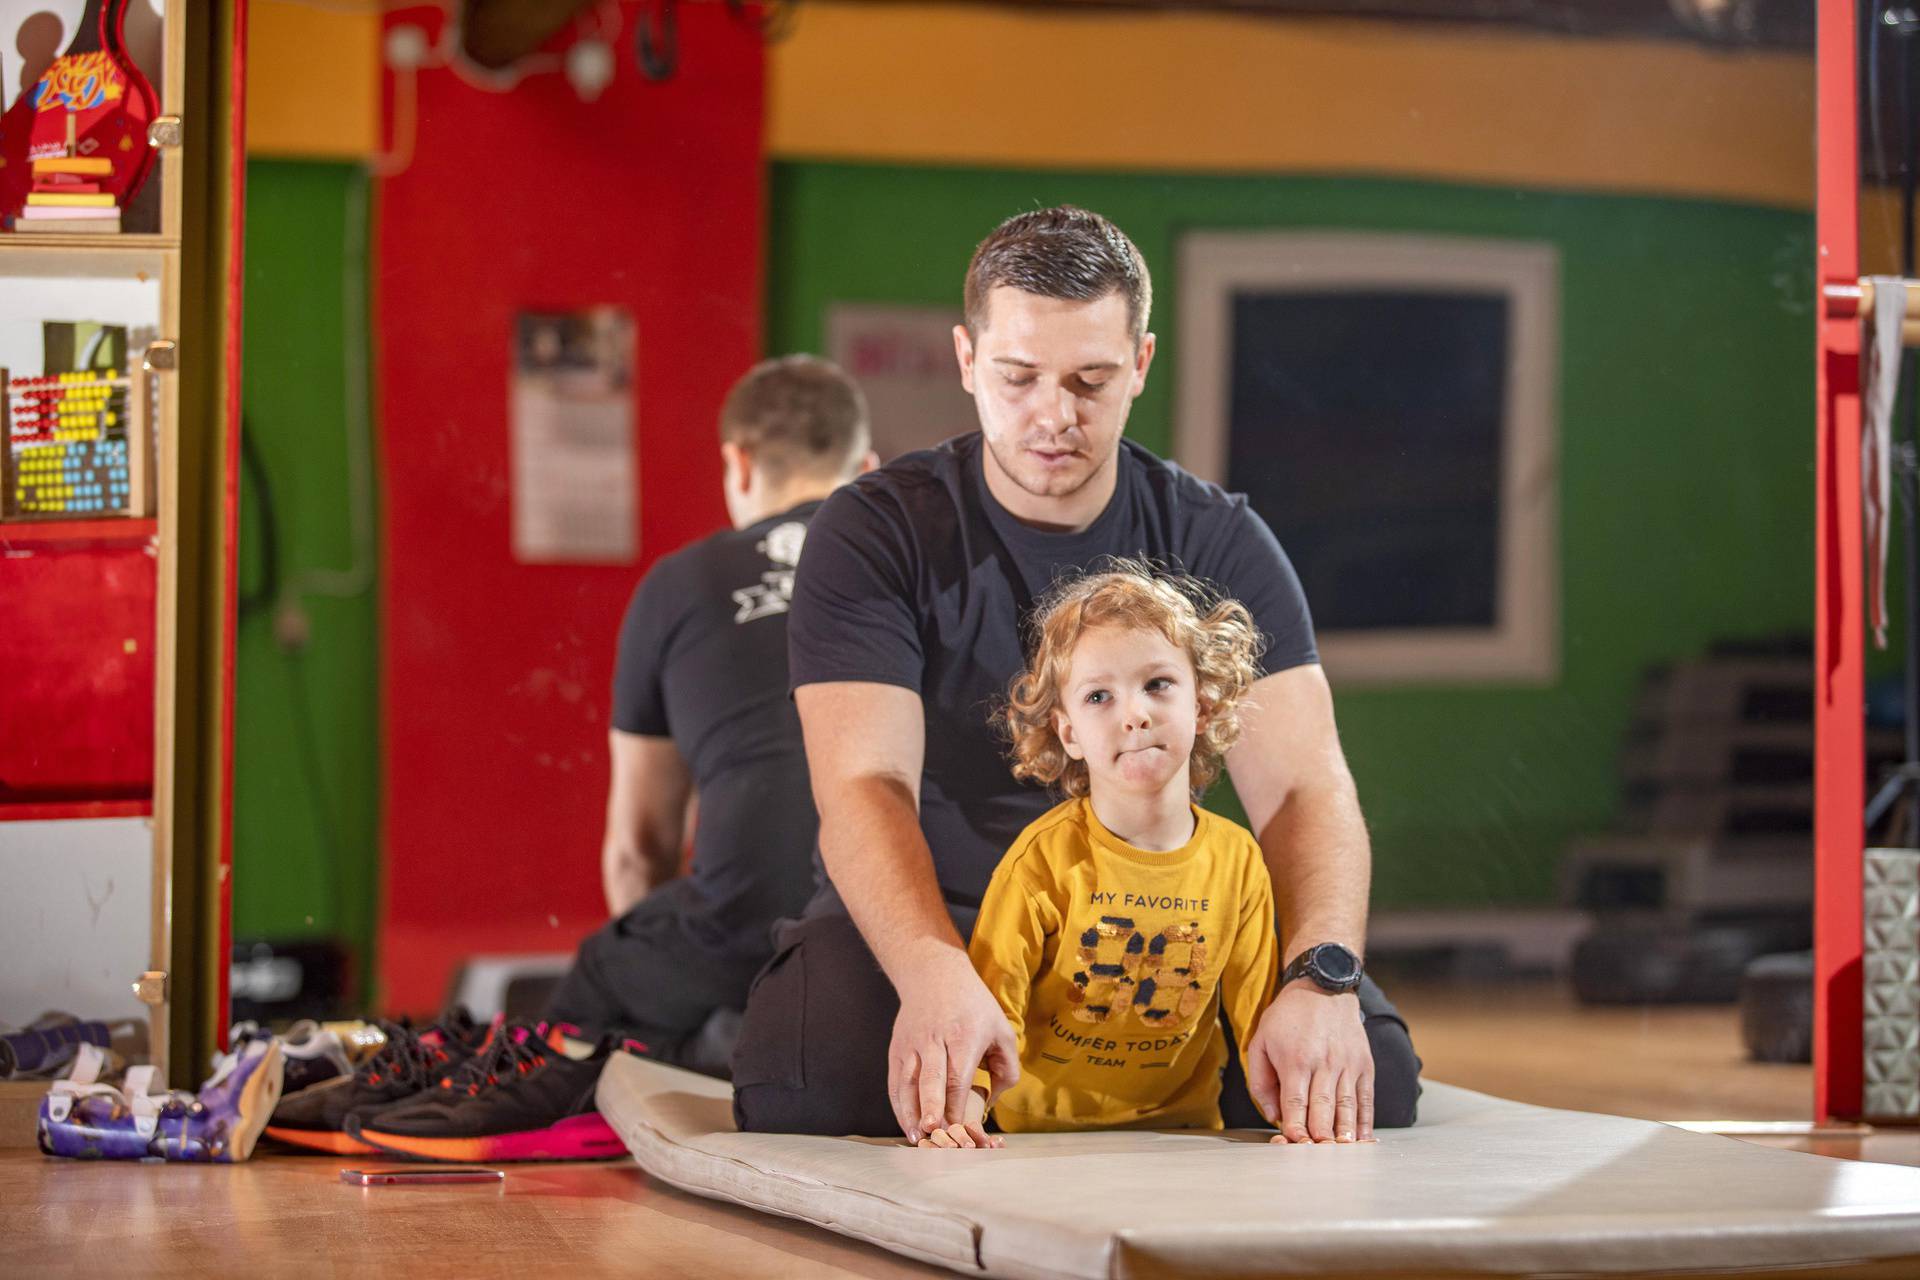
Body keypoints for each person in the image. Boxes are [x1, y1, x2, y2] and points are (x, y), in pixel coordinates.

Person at [730, 207, 1420, 1146]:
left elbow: (1305, 786)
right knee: (811, 1077)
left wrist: (1321, 975)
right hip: (950, 911)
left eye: (1091, 380)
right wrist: (934, 974)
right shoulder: (874, 531)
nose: (1055, 414)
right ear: (968, 361)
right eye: (1019, 378)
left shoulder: (1217, 538)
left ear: (1140, 364)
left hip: (1160, 921)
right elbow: (864, 785)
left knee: (1368, 1073)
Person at [269, 356, 876, 1161]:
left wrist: (678, 984)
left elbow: (639, 848)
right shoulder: (905, 581)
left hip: (742, 944)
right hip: (883, 943)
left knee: (603, 975)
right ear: (866, 472)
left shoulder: (682, 583)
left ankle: (544, 1079)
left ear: (735, 461)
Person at [918, 563, 1280, 1149]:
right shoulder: (1040, 861)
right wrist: (964, 1113)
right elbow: (992, 1010)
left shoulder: (1239, 861)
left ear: (1203, 707)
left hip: (1183, 1139)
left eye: (1158, 684)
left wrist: (1298, 1114)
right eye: (1099, 696)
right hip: (1040, 1139)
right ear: (1069, 735)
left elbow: (1259, 1018)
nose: (1133, 713)